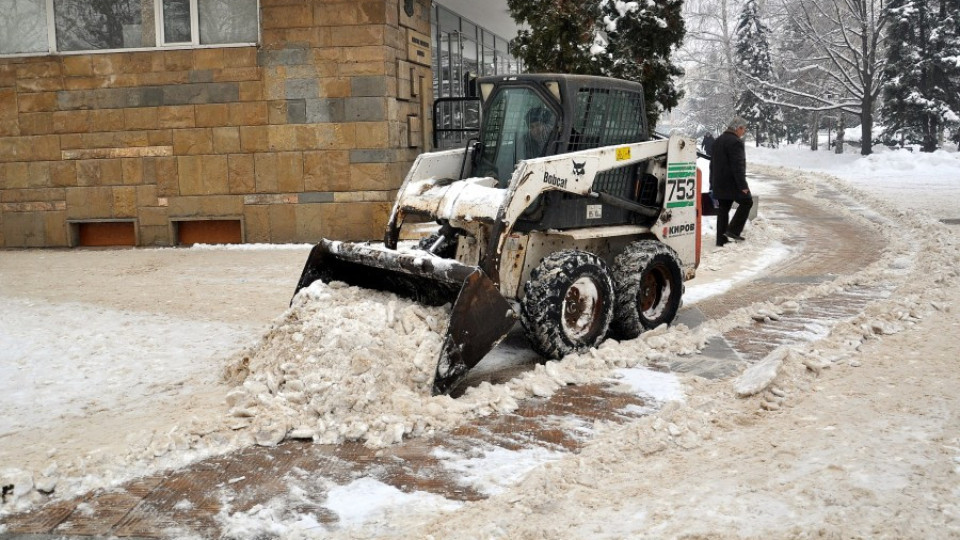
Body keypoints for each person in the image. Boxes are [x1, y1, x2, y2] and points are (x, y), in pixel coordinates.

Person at [709, 116, 752, 246]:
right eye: (743, 129)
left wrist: (712, 183)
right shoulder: (736, 142)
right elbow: (738, 166)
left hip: (719, 183)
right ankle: (733, 231)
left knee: (723, 209)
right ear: (738, 128)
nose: (743, 132)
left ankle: (720, 239)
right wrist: (743, 186)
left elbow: (712, 165)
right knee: (747, 202)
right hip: (732, 184)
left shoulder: (718, 141)